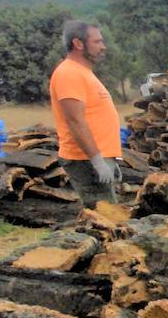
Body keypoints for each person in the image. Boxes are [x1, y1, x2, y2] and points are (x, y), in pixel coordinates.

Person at [50, 20, 121, 209]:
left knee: (109, 215)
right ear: (78, 44)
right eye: (97, 42)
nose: (103, 47)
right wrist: (97, 161)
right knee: (105, 218)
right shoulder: (69, 74)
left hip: (96, 156)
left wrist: (111, 158)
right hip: (85, 159)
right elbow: (75, 121)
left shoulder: (83, 72)